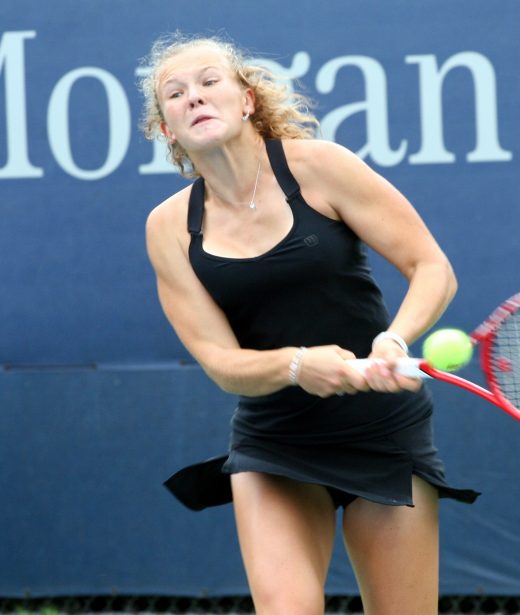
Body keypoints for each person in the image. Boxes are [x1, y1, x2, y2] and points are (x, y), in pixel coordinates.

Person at [140, 32, 479, 615]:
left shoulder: (320, 168)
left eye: (208, 81)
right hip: (277, 441)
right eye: (175, 93)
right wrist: (299, 364)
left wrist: (394, 339)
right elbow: (222, 364)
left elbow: (432, 268)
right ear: (167, 130)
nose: (193, 96)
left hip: (383, 430)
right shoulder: (169, 228)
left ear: (247, 100)